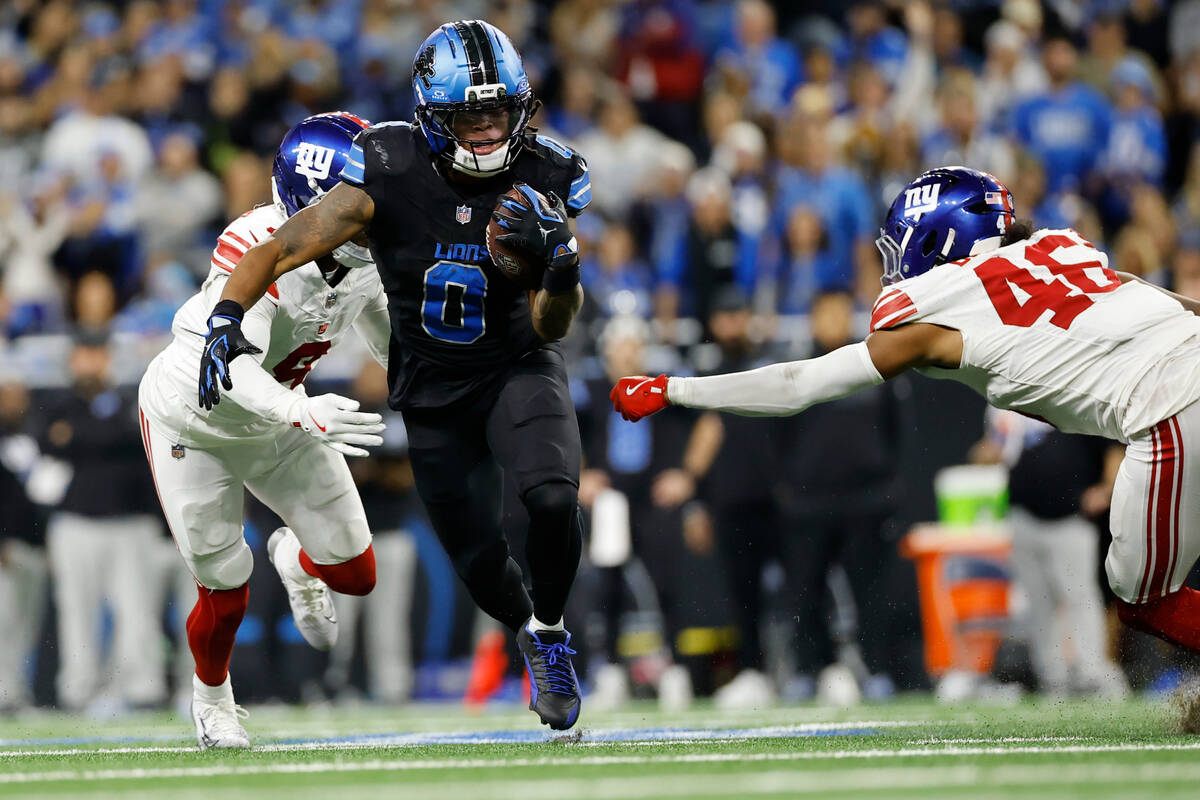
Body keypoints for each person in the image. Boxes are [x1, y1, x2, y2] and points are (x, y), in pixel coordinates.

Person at [612, 166, 1200, 727]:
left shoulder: (939, 309)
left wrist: (677, 388)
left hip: (1168, 406)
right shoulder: (1058, 248)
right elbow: (1148, 295)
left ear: (941, 238)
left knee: (1141, 594)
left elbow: (799, 384)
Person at [196, 21, 592, 731]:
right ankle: (527, 632)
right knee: (479, 559)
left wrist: (561, 266)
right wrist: (227, 312)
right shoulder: (387, 164)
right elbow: (282, 247)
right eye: (469, 116)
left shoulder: (548, 171)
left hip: (515, 364)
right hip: (433, 389)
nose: (487, 130)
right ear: (432, 116)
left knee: (554, 497)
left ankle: (552, 634)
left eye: (499, 113)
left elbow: (552, 325)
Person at [138, 111, 390, 749]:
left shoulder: (364, 259)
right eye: (356, 197)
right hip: (195, 419)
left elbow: (395, 345)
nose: (371, 211)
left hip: (280, 415)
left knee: (357, 574)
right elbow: (227, 368)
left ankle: (296, 560)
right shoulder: (257, 243)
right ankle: (212, 700)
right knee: (225, 584)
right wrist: (300, 411)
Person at [38, 328, 165, 711]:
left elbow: (139, 440)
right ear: (73, 359)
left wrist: (79, 437)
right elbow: (46, 443)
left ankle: (142, 689)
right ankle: (78, 690)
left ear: (109, 358)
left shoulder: (131, 397)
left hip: (131, 521)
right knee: (77, 610)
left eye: (98, 354)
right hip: (75, 522)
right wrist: (103, 434)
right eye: (84, 354)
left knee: (137, 610)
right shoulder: (56, 402)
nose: (91, 362)